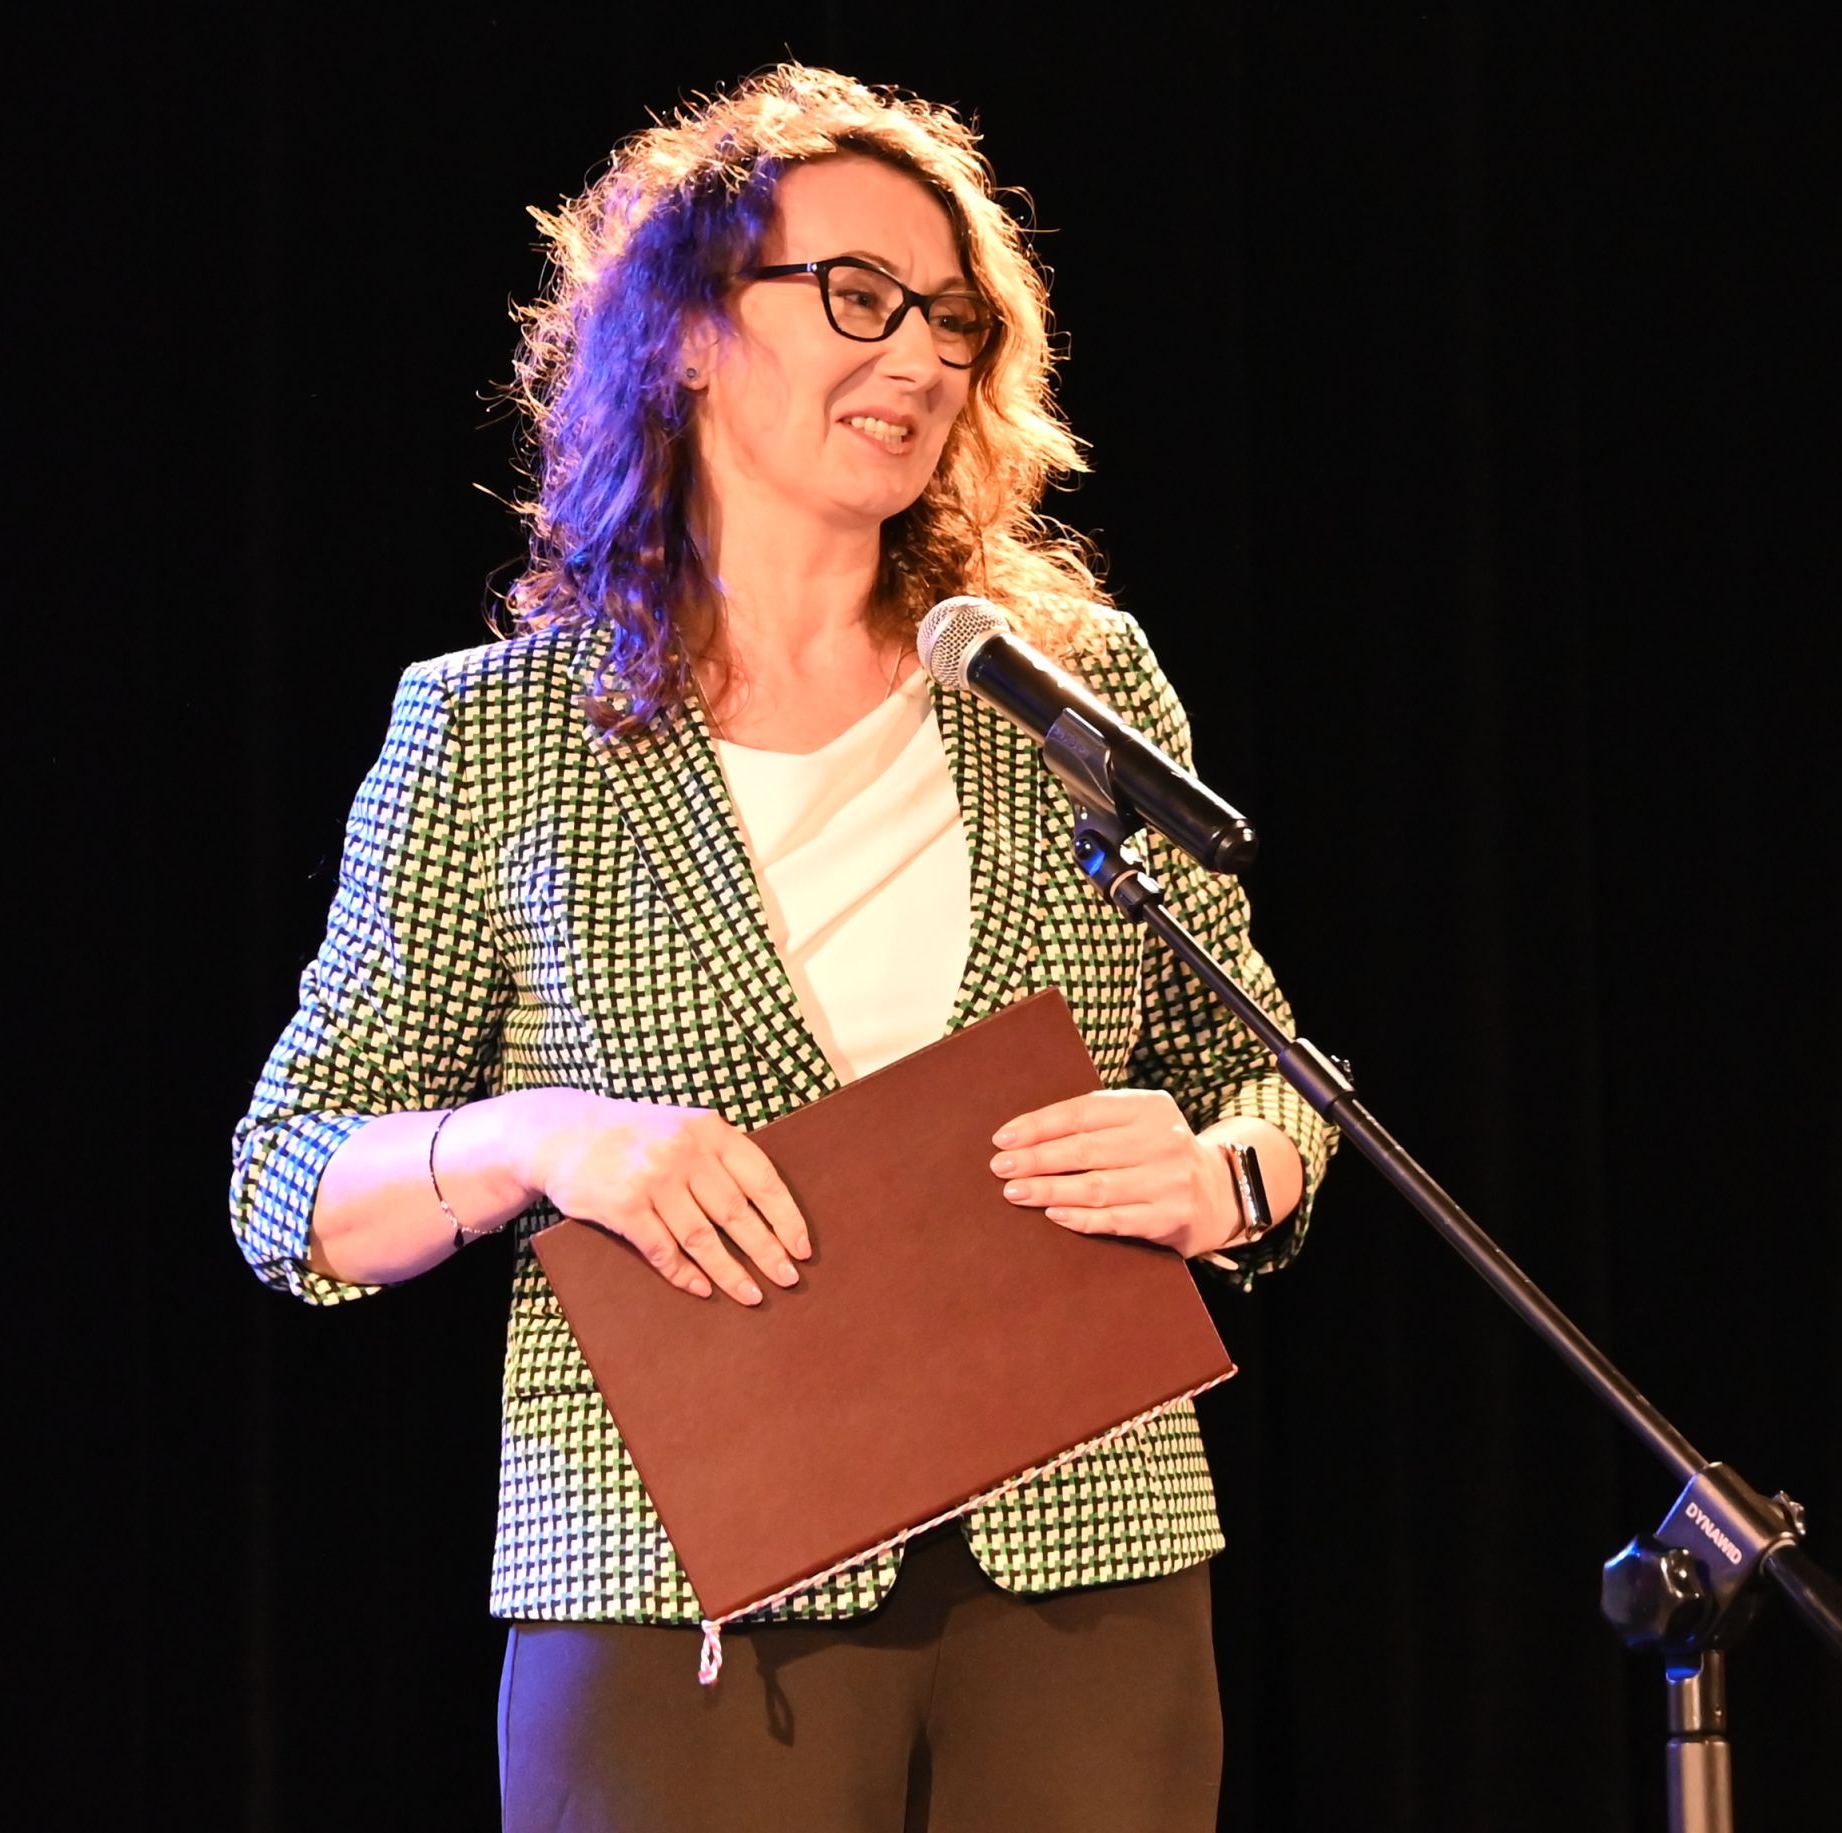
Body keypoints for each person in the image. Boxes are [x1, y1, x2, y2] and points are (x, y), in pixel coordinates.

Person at [231, 62, 1335, 1833]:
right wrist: (549, 1138)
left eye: (954, 320)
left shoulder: (1071, 690)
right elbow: (289, 1183)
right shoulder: (492, 735)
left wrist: (1227, 1177)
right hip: (678, 1594)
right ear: (682, 334)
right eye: (858, 295)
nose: (919, 358)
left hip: (1087, 1570)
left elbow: (1272, 1085)